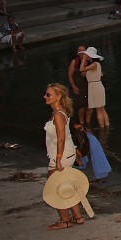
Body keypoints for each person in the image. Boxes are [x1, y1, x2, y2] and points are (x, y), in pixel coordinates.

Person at [42, 83, 85, 229]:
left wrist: (58, 159)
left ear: (58, 96)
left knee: (54, 187)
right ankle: (77, 217)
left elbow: (61, 138)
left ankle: (64, 220)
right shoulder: (58, 112)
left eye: (49, 94)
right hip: (65, 153)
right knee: (65, 184)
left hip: (61, 155)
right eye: (46, 94)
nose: (45, 97)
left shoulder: (59, 114)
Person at [80, 46, 110, 129]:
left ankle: (103, 127)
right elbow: (83, 72)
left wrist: (83, 59)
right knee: (101, 108)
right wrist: (85, 62)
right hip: (94, 86)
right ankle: (106, 126)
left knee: (99, 109)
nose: (86, 56)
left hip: (96, 87)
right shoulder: (93, 65)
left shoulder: (95, 64)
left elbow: (81, 69)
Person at [67, 45, 88, 125]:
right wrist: (73, 87)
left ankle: (87, 121)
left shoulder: (90, 61)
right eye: (80, 51)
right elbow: (70, 75)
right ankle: (81, 122)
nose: (82, 53)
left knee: (89, 105)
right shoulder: (74, 62)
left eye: (83, 51)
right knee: (81, 105)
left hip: (88, 86)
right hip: (78, 87)